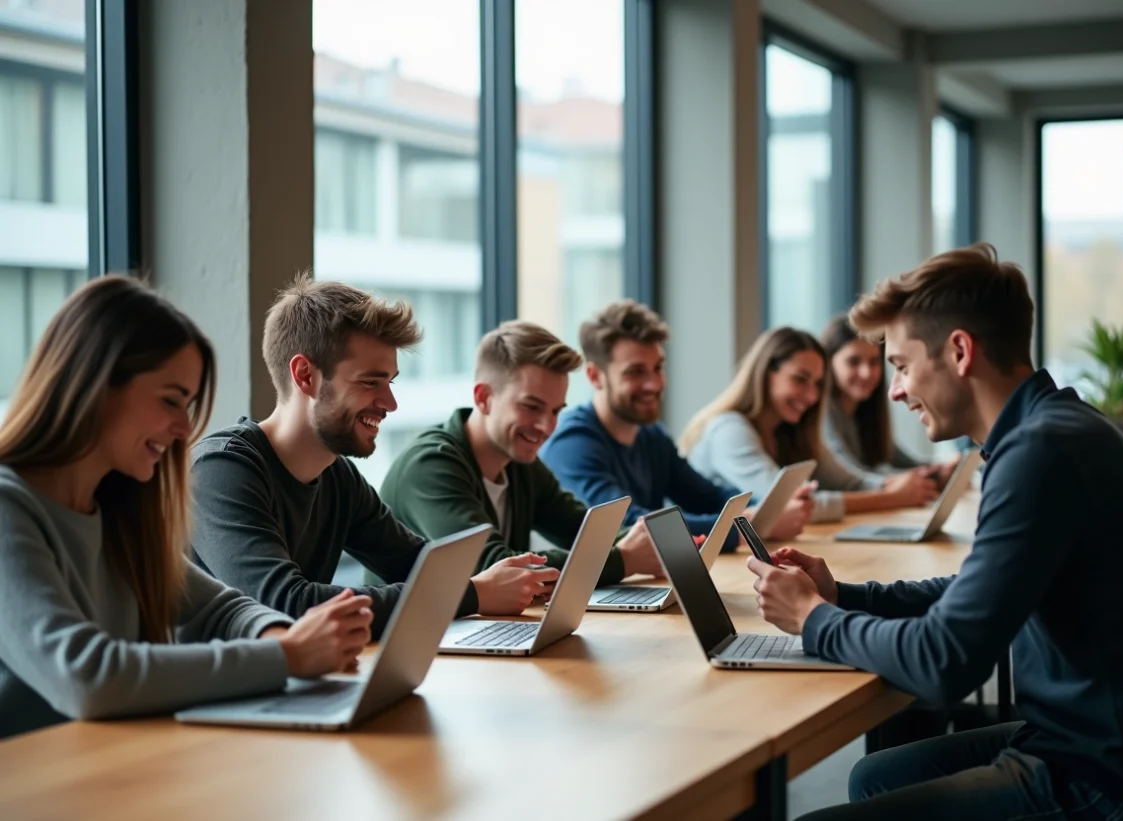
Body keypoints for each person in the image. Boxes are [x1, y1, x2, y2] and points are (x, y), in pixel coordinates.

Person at [747, 243, 1123, 819]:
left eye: (903, 366)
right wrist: (845, 597)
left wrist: (814, 620)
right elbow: (973, 593)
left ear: (960, 351)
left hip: (1119, 780)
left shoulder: (1041, 452)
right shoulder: (1056, 427)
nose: (895, 391)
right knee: (874, 775)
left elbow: (945, 662)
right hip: (1098, 741)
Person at [0, 276, 372, 740]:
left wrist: (288, 640)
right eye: (171, 401)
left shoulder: (118, 509)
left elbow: (217, 608)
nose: (184, 427)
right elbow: (85, 676)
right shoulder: (8, 507)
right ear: (95, 384)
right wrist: (289, 656)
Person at [190, 276, 549, 638]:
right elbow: (287, 605)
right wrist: (469, 593)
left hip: (294, 683)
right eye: (369, 382)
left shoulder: (337, 476)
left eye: (389, 382)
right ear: (305, 376)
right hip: (217, 692)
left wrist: (488, 582)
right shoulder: (221, 469)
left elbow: (422, 568)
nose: (390, 404)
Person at [379, 320, 662, 583]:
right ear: (484, 398)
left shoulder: (519, 463)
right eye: (531, 406)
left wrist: (653, 542)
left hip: (479, 630)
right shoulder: (430, 465)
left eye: (555, 411)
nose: (546, 426)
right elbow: (496, 567)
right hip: (413, 636)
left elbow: (586, 533)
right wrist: (623, 560)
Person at [541, 300, 812, 547]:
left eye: (658, 368)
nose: (654, 383)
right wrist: (747, 527)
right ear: (594, 376)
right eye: (636, 372)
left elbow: (710, 497)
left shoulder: (652, 436)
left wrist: (769, 510)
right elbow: (631, 526)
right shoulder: (571, 442)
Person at [679, 327, 939, 523]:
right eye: (800, 379)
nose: (812, 396)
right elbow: (784, 505)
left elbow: (850, 482)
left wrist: (898, 484)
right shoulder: (728, 429)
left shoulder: (792, 430)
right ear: (765, 373)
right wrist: (891, 497)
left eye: (817, 384)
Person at [819, 313, 957, 488]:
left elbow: (901, 460)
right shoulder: (821, 416)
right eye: (853, 361)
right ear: (828, 364)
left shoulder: (866, 413)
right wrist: (925, 477)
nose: (866, 373)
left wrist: (938, 469)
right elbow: (852, 478)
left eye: (874, 362)